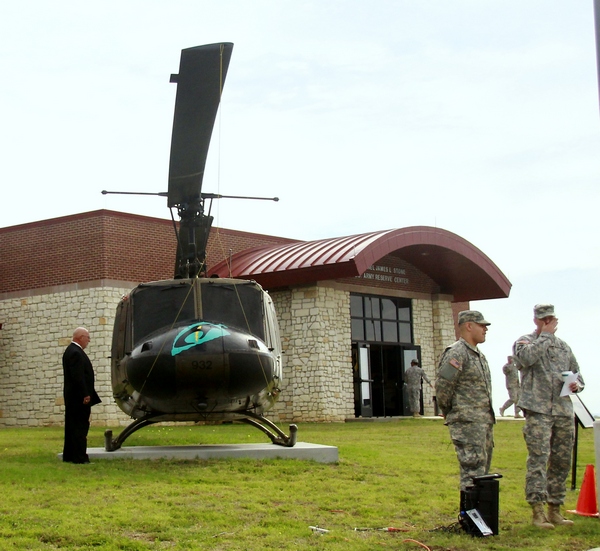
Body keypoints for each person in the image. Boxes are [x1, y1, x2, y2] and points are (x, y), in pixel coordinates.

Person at [513, 304, 584, 529]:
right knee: (539, 459)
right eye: (543, 319)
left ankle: (555, 509)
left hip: (562, 411)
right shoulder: (525, 342)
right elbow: (525, 360)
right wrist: (544, 336)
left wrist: (576, 384)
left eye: (550, 319)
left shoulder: (563, 347)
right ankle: (538, 511)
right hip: (538, 410)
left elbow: (578, 375)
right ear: (536, 320)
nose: (547, 322)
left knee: (562, 461)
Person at [435, 310, 494, 492]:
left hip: (482, 423)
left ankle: (479, 509)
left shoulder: (478, 355)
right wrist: (450, 411)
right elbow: (443, 386)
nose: (485, 329)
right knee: (472, 473)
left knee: (482, 473)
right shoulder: (457, 353)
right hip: (467, 423)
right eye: (481, 325)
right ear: (469, 326)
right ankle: (470, 509)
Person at [62, 327, 101, 463]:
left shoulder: (71, 351)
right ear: (80, 337)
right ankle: (79, 457)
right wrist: (85, 394)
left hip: (73, 397)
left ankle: (69, 455)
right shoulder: (75, 353)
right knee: (79, 427)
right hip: (78, 398)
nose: (89, 341)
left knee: (72, 426)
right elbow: (78, 376)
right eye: (87, 338)